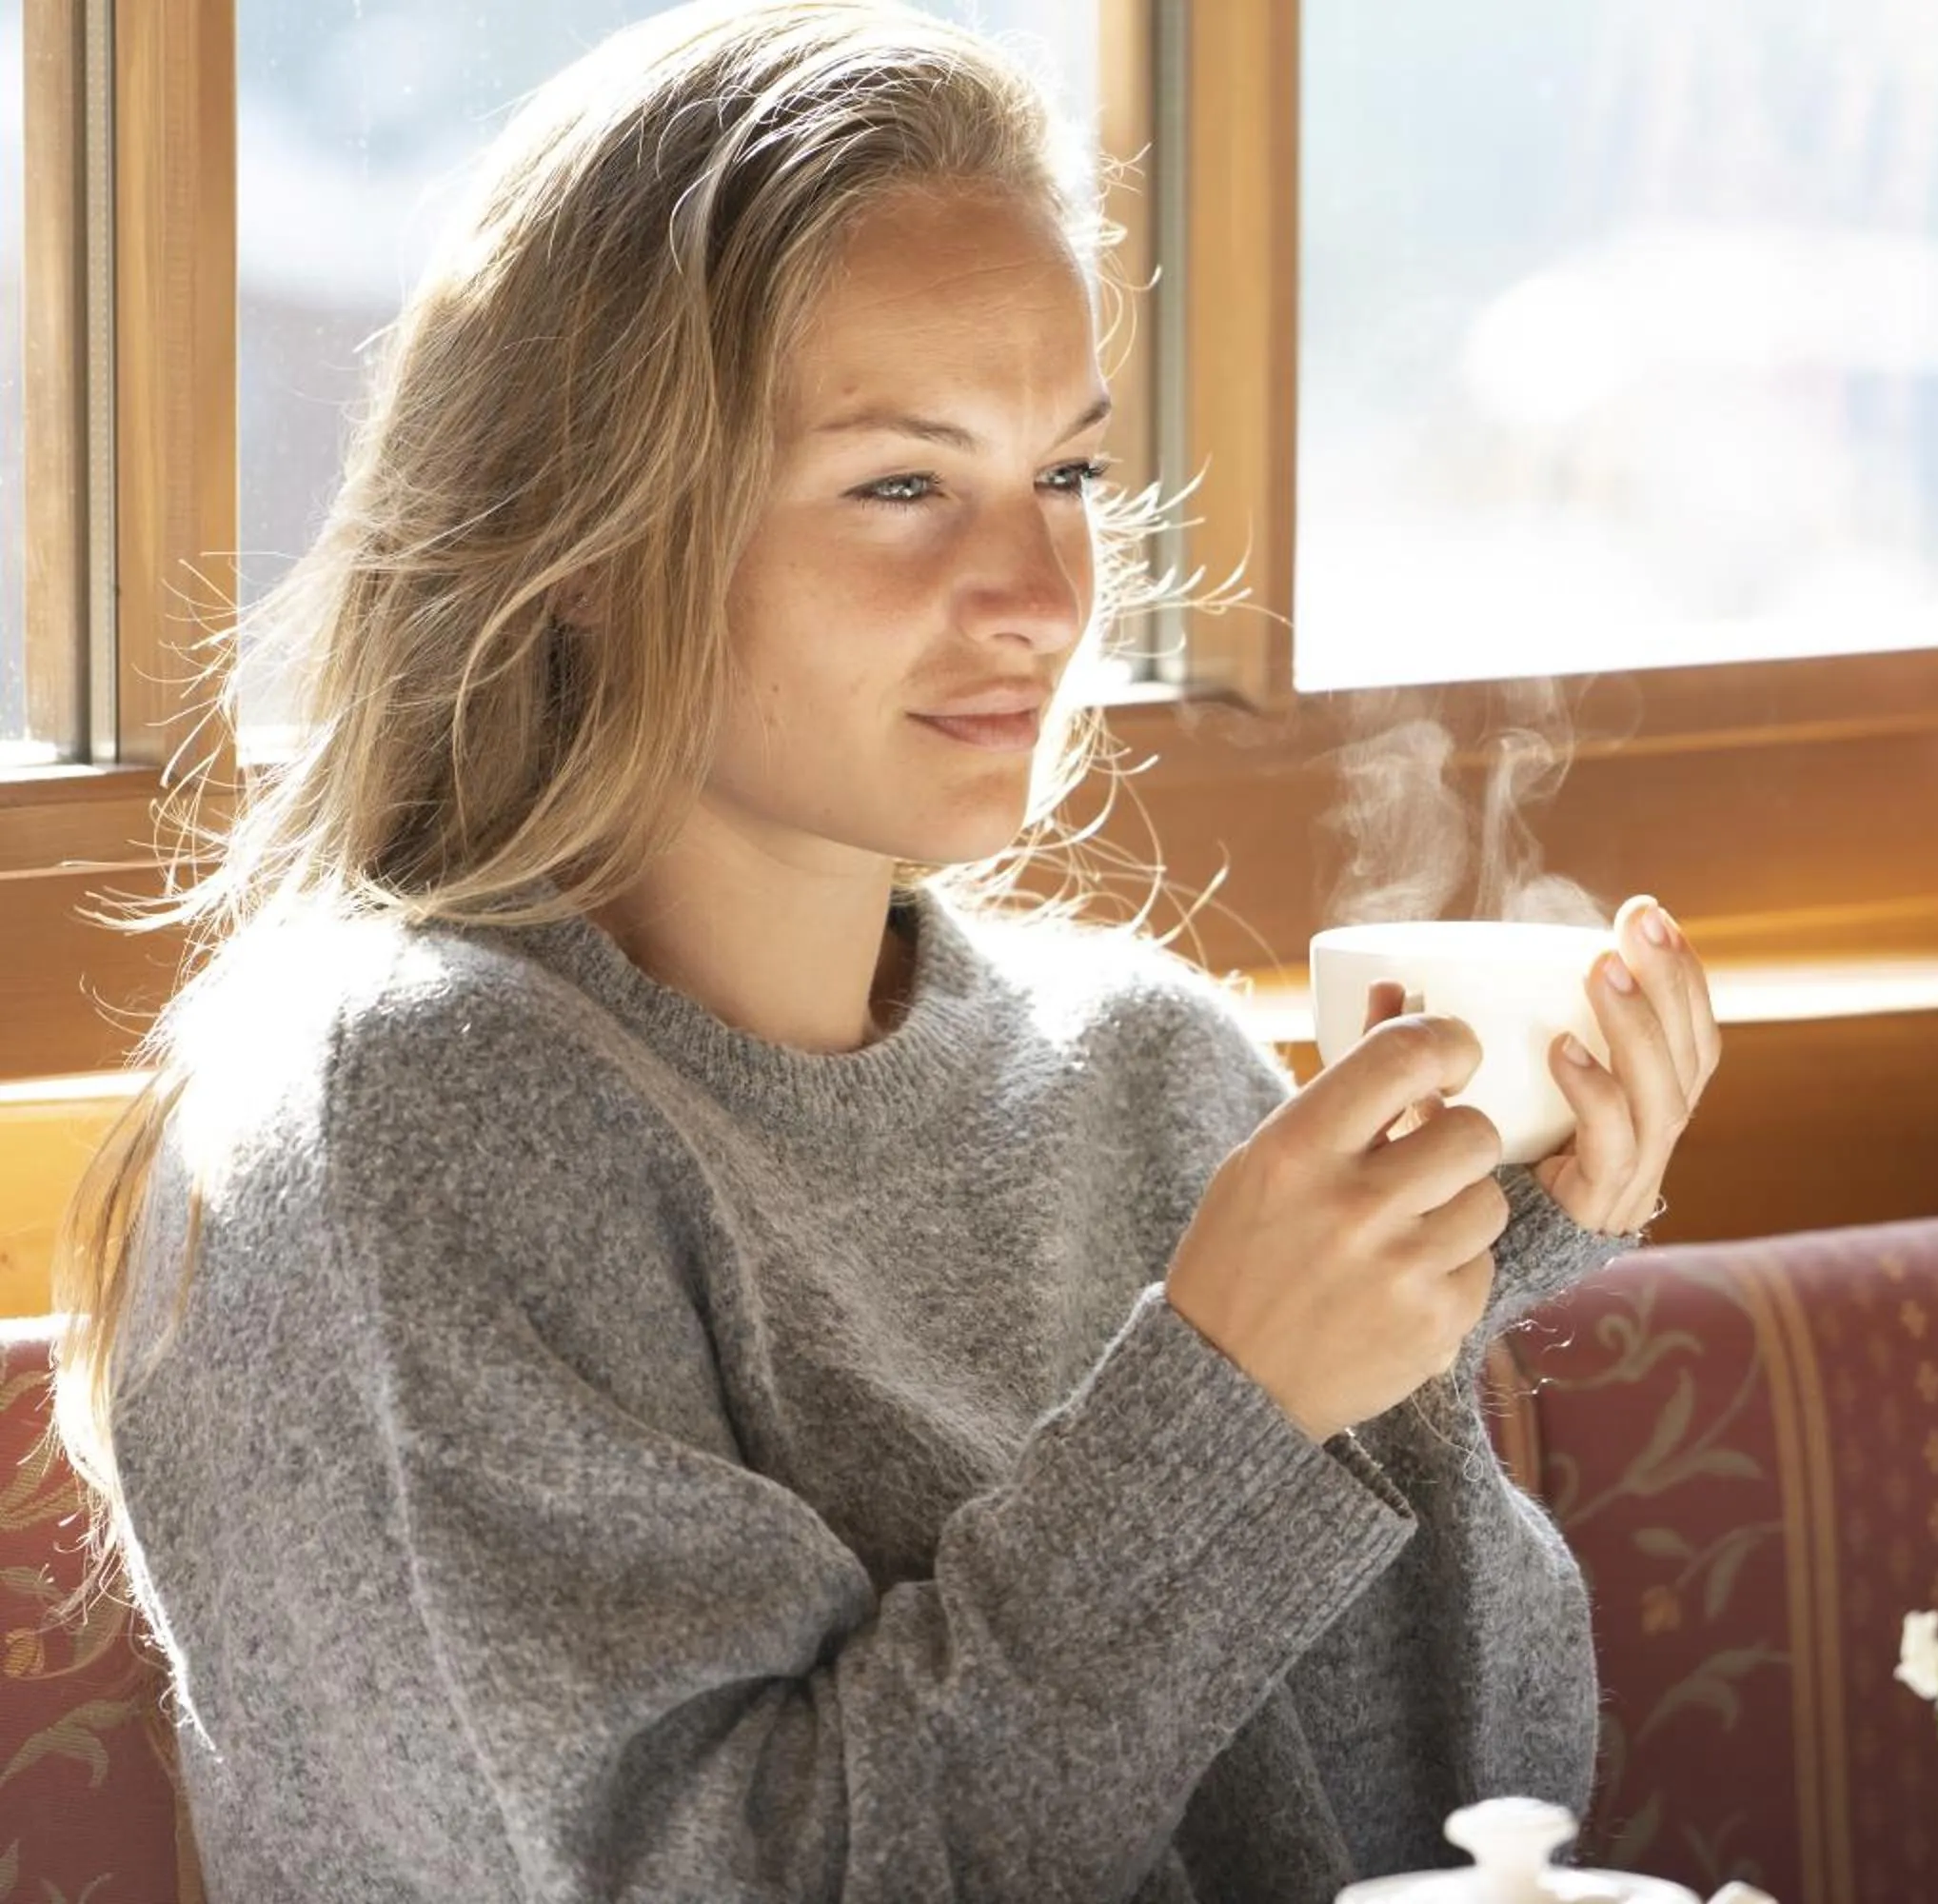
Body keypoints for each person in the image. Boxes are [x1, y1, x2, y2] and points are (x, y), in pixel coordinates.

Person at [49, 4, 1722, 1898]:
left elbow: (1463, 1815)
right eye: (904, 482)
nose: (1036, 595)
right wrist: (1228, 1405)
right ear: (588, 527)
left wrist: (1441, 1292)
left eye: (1067, 476)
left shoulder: (1149, 1074)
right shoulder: (403, 1123)